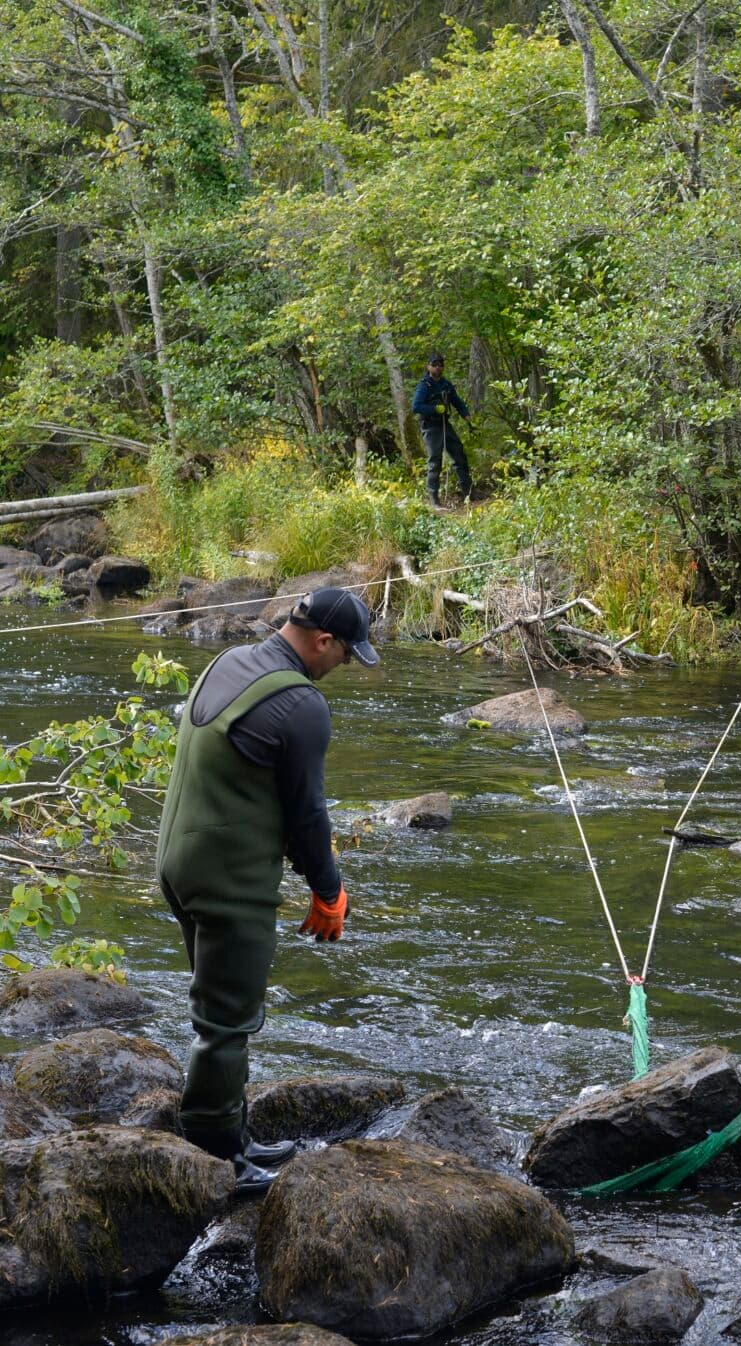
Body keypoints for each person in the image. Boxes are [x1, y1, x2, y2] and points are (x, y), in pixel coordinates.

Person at [156, 587, 378, 1192]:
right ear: (322, 640)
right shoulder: (301, 706)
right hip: (229, 881)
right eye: (347, 654)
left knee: (222, 1004)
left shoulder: (230, 661)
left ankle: (236, 1132)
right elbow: (308, 817)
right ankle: (218, 1156)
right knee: (228, 1019)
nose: (346, 666)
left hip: (178, 861)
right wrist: (329, 892)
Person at [411, 351, 473, 508]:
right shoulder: (424, 385)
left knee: (459, 455)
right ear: (428, 367)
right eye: (434, 365)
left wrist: (467, 416)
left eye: (440, 365)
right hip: (430, 428)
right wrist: (434, 409)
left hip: (446, 425)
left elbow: (457, 402)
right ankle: (434, 500)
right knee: (435, 462)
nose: (438, 368)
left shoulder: (446, 384)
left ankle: (468, 493)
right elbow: (416, 407)